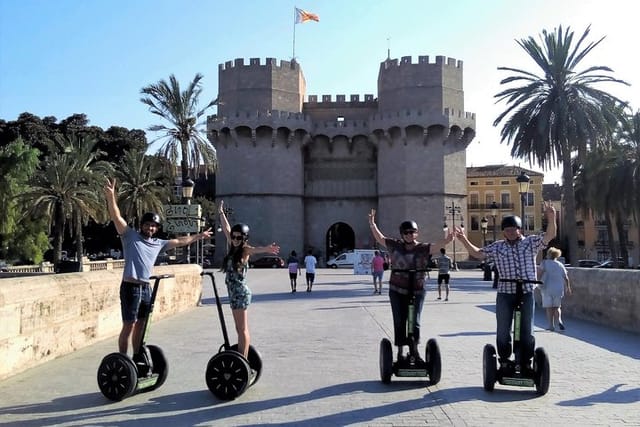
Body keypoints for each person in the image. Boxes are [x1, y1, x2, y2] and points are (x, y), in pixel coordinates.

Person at [104, 178, 213, 355]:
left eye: (153, 226)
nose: (150, 228)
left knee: (141, 325)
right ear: (142, 226)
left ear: (157, 228)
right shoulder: (129, 236)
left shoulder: (158, 243)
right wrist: (111, 198)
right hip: (130, 287)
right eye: (147, 225)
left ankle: (137, 356)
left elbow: (180, 241)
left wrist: (199, 235)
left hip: (146, 288)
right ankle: (123, 360)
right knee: (129, 325)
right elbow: (116, 217)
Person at [454, 201, 556, 372]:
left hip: (526, 292)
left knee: (527, 331)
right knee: (503, 330)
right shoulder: (498, 247)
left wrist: (551, 218)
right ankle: (504, 359)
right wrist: (463, 239)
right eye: (507, 230)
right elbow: (478, 254)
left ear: (519, 230)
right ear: (503, 232)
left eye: (513, 229)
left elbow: (549, 236)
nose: (510, 232)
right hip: (505, 294)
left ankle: (525, 361)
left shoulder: (530, 243)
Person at [368, 209, 454, 361]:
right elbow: (381, 239)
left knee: (415, 321)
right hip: (397, 289)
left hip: (417, 289)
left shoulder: (423, 248)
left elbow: (436, 246)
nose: (409, 235)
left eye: (412, 232)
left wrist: (448, 240)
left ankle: (414, 350)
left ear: (417, 233)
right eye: (406, 232)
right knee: (400, 320)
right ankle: (400, 352)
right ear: (402, 234)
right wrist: (372, 224)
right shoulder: (395, 245)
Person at [218, 200, 280, 359]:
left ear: (244, 238)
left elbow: (255, 250)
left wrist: (267, 249)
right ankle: (242, 356)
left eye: (239, 237)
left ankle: (243, 359)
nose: (235, 239)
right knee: (239, 329)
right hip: (233, 293)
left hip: (240, 293)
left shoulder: (244, 250)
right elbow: (226, 229)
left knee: (242, 329)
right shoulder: (232, 247)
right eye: (234, 236)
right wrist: (221, 213)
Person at [537, 247, 572, 331]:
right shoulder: (560, 265)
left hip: (547, 288)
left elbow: (539, 274)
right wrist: (568, 287)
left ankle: (551, 326)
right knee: (557, 307)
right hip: (558, 288)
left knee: (549, 308)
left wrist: (538, 283)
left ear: (548, 254)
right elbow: (566, 278)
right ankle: (559, 320)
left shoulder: (544, 263)